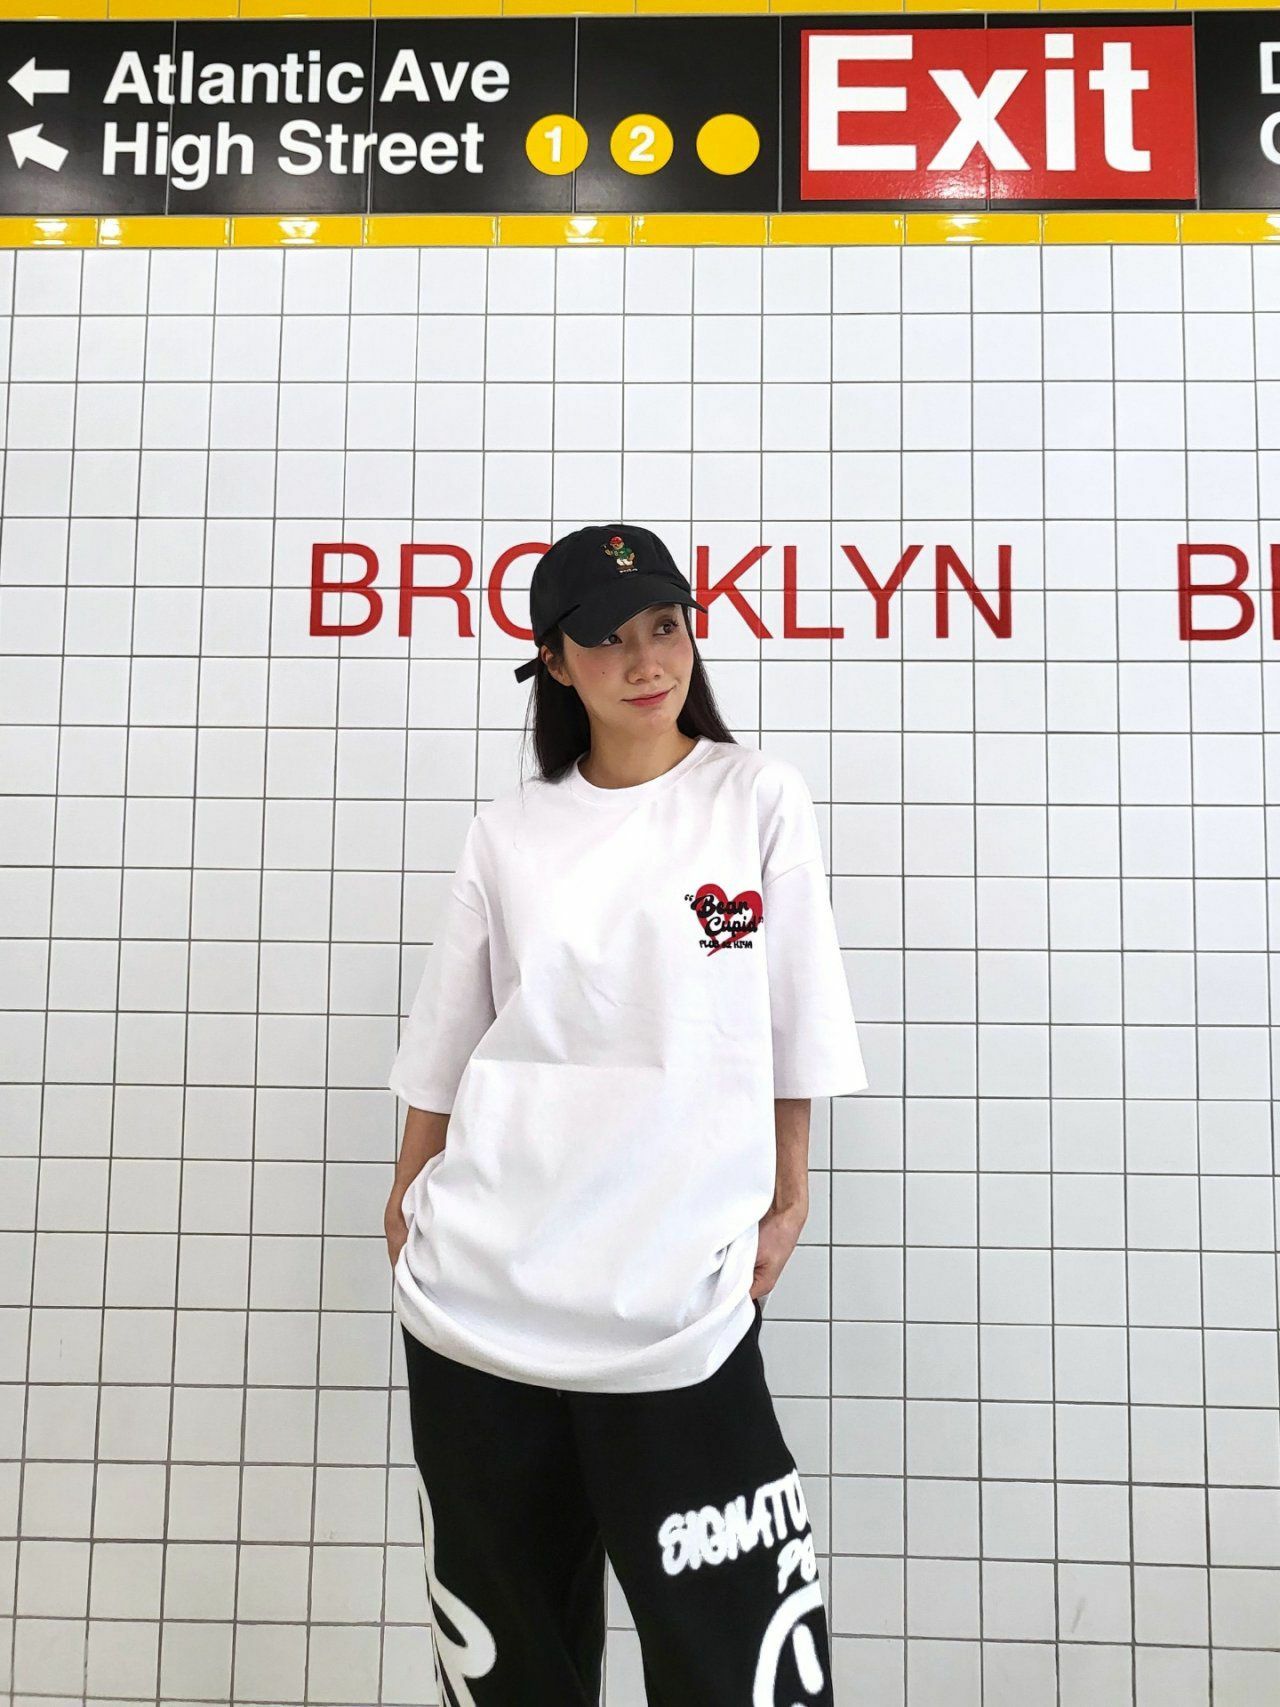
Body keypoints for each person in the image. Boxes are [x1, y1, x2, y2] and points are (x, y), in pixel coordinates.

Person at [383, 523, 869, 1705]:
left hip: (674, 1290)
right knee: (511, 1653)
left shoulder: (753, 797)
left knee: (733, 1651)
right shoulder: (511, 830)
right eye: (605, 639)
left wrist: (788, 1189)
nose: (647, 660)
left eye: (664, 625)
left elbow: (795, 1009)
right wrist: (406, 1199)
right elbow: (448, 1036)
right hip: (484, 1286)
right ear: (554, 663)